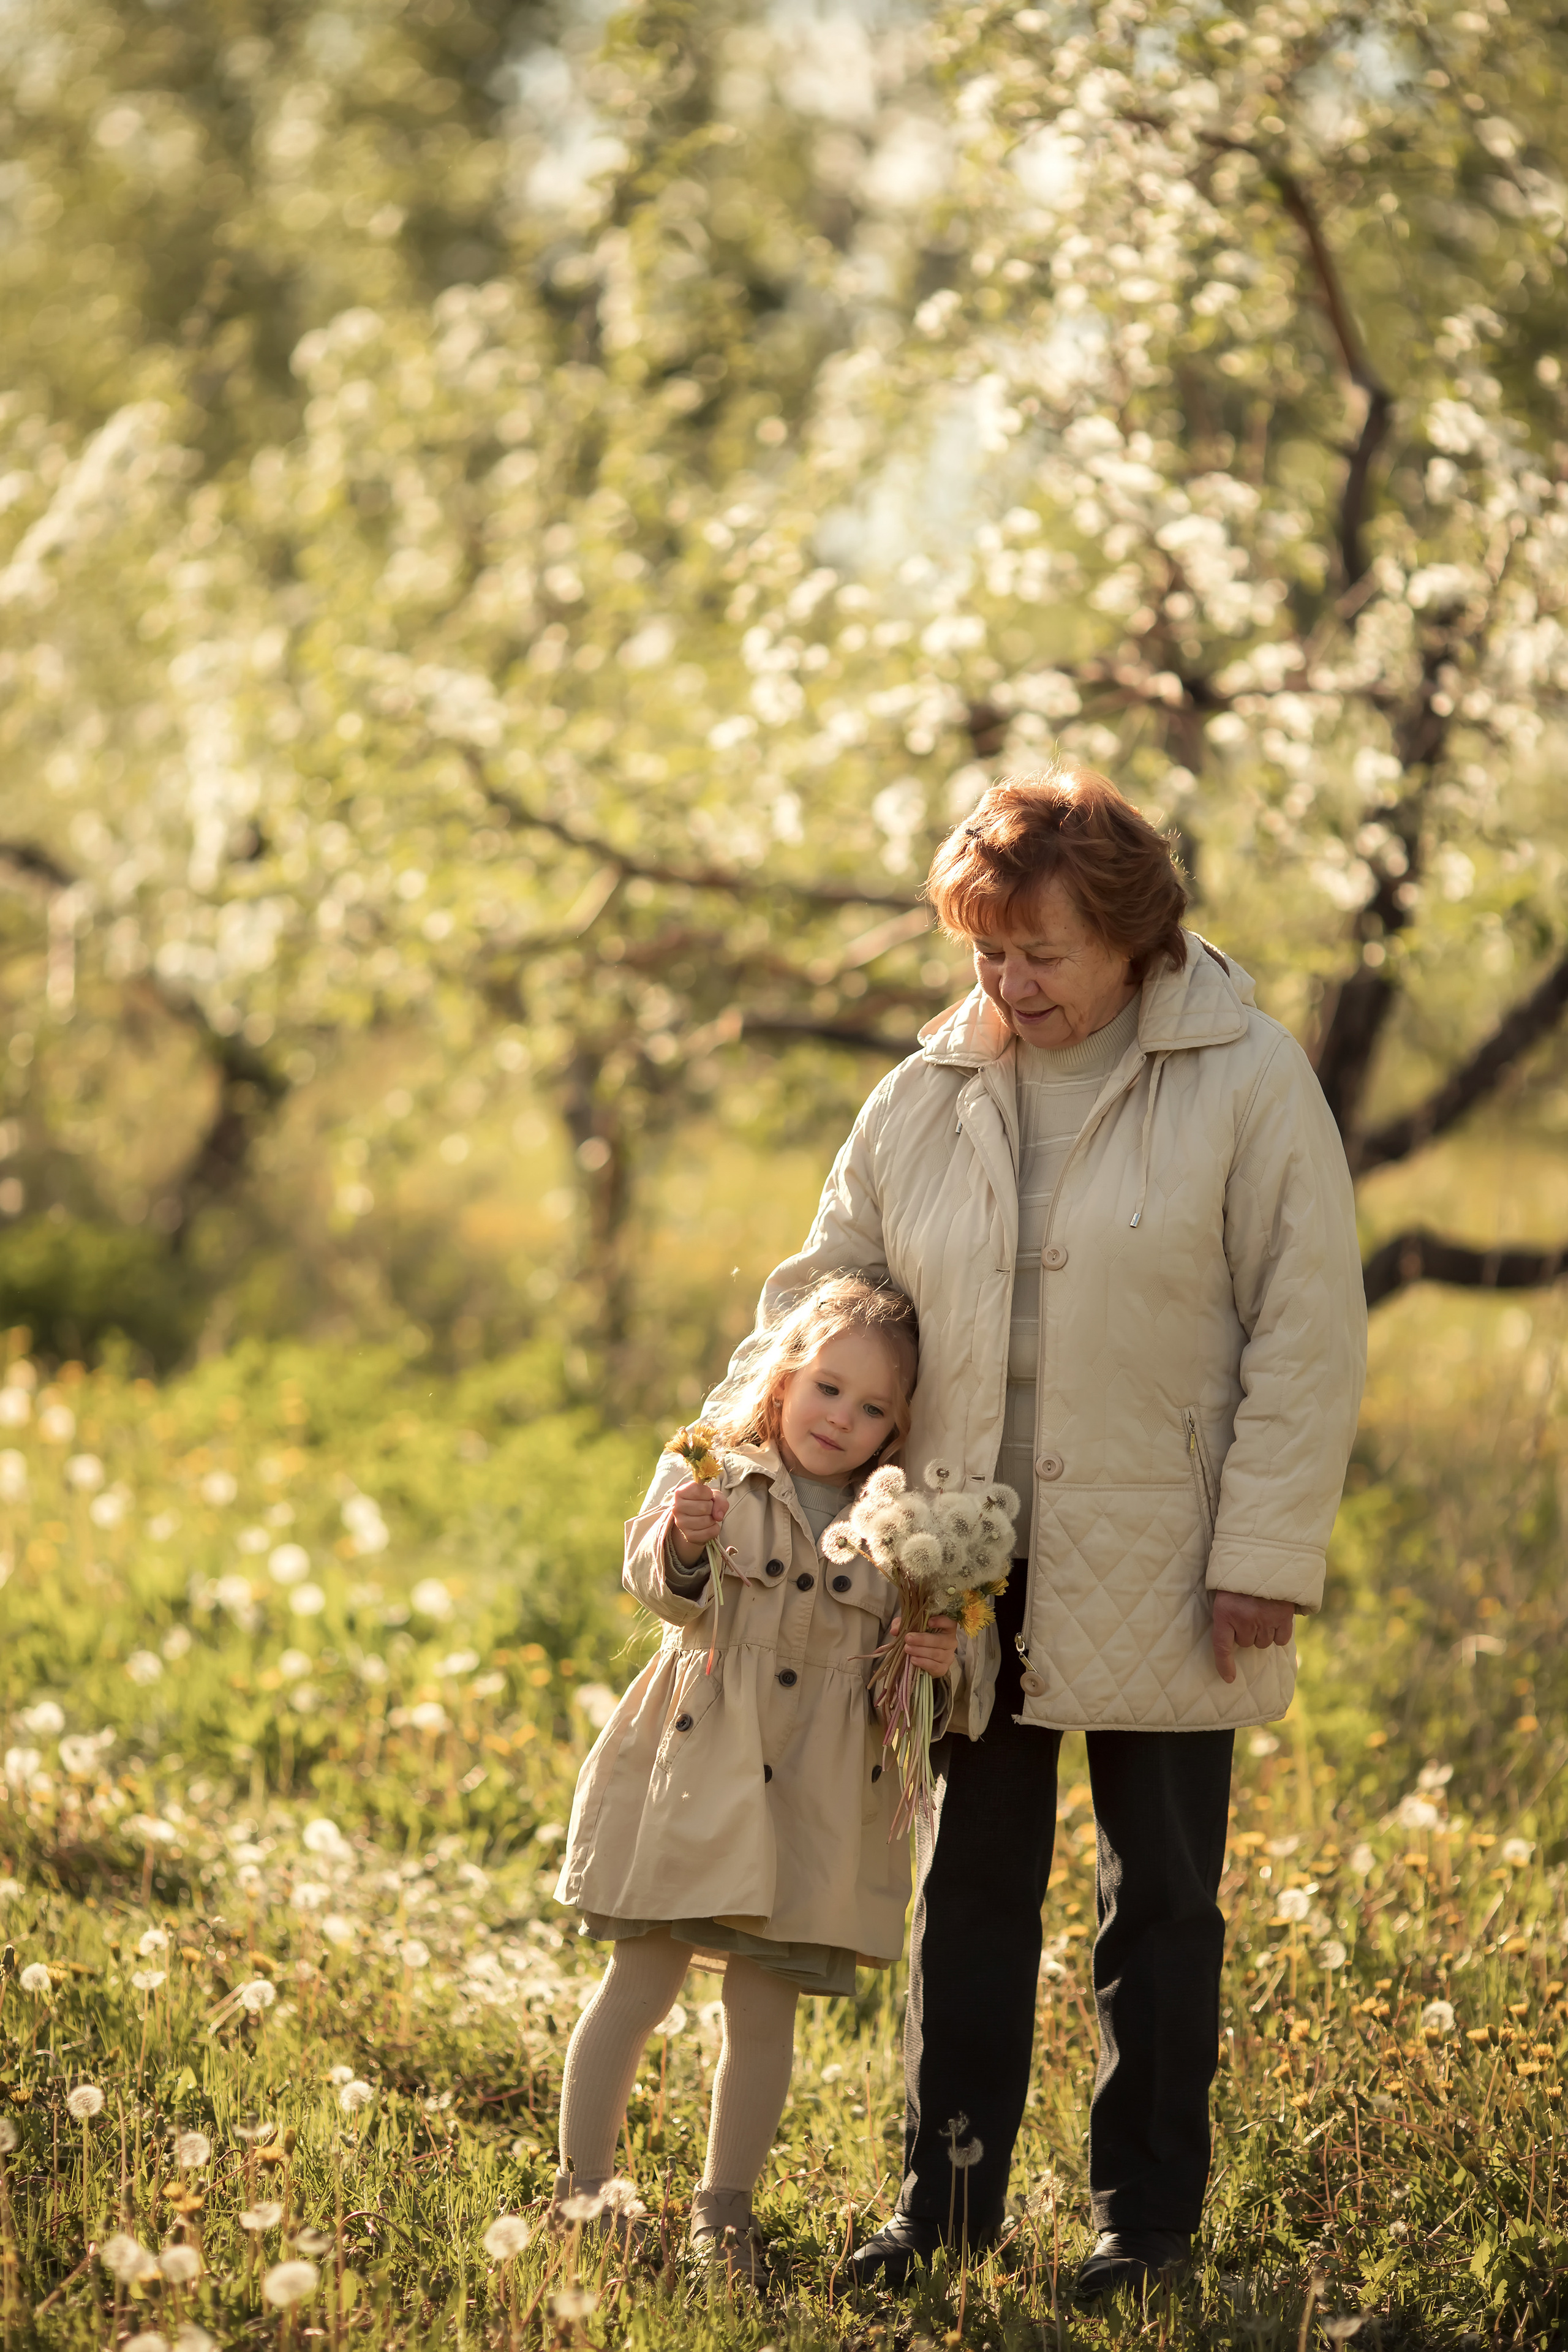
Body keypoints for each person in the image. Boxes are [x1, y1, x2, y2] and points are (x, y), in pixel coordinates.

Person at [720, 762, 1366, 2299]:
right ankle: (940, 2212)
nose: (1008, 985)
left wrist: (1263, 1552)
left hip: (1173, 1554)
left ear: (1134, 940)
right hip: (955, 1564)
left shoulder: (1247, 1075)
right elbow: (819, 1299)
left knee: (1161, 1899)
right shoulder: (923, 1091)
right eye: (983, 953)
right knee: (969, 1891)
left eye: (1041, 955)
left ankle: (1140, 2229)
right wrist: (735, 1464)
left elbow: (1306, 1324)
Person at [551, 1271, 958, 2283]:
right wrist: (683, 1545)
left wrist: (932, 1671)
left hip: (813, 1798)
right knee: (638, 1983)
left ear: (898, 1429)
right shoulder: (714, 1470)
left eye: (874, 1410)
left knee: (764, 2011)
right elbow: (656, 1584)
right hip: (701, 1764)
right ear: (784, 1378)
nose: (843, 1419)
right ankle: (581, 2195)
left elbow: (915, 1700)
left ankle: (722, 2213)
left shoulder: (900, 1530)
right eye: (829, 1388)